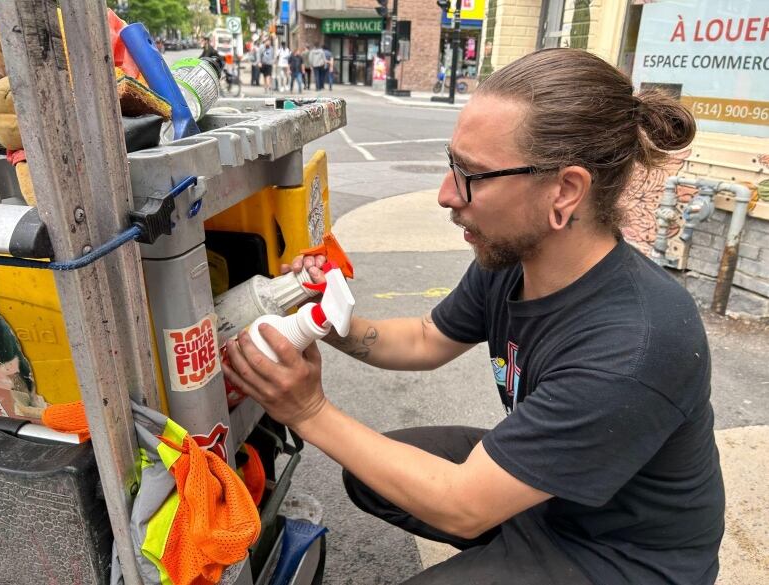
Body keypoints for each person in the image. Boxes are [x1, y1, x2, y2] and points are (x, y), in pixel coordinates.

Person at [224, 48, 725, 585]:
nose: (446, 194)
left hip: (622, 554)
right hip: (554, 499)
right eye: (451, 163)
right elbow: (423, 339)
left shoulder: (635, 345)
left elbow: (463, 506)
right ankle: (508, 524)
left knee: (445, 496)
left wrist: (307, 410)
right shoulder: (515, 258)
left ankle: (511, 531)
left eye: (473, 175)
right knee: (369, 475)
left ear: (566, 190)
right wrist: (324, 316)